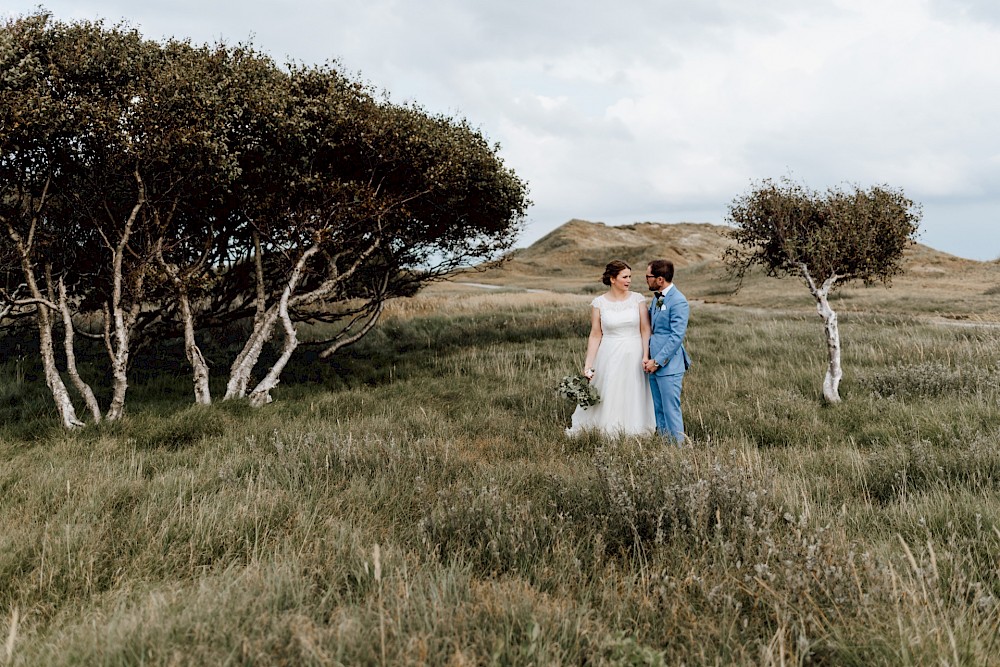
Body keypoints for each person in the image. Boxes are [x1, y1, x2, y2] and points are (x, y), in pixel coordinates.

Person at [566, 260, 656, 436]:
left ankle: (635, 427)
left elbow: (646, 329)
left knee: (633, 389)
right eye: (625, 277)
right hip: (609, 352)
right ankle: (609, 427)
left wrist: (646, 354)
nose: (629, 280)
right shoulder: (599, 303)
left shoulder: (638, 299)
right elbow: (595, 334)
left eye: (630, 276)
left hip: (634, 351)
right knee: (610, 389)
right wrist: (588, 365)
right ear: (613, 279)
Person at [643, 259, 691, 443]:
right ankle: (664, 444)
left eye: (649, 276)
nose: (646, 280)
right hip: (652, 362)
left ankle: (678, 448)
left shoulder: (679, 301)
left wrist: (657, 361)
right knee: (659, 408)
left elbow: (676, 336)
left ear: (660, 279)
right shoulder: (659, 297)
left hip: (668, 364)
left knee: (671, 408)